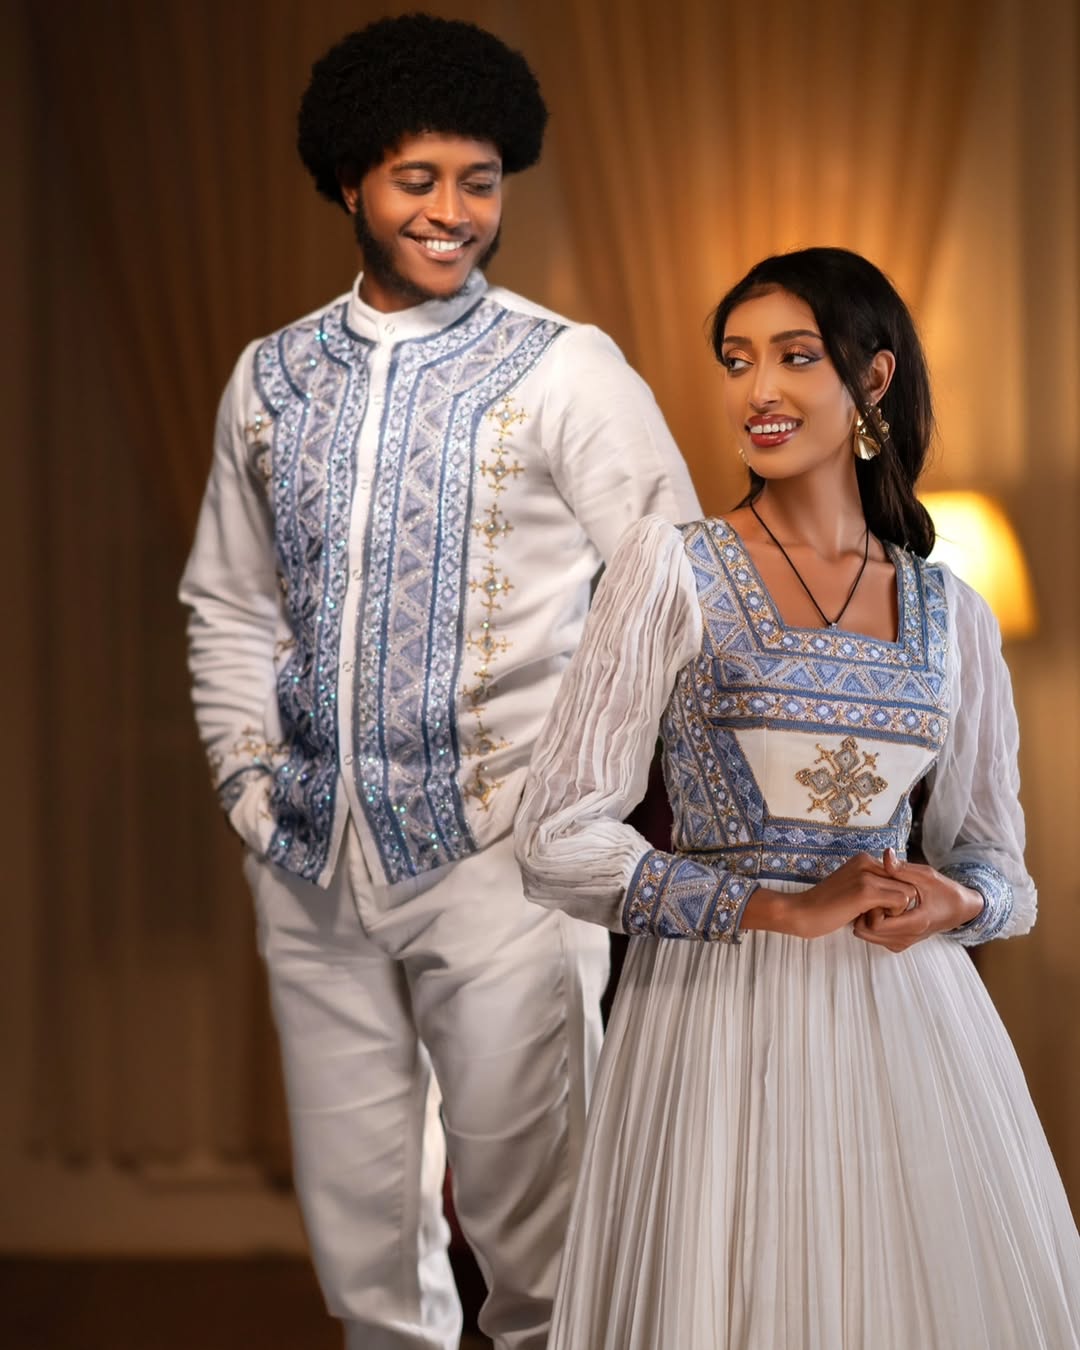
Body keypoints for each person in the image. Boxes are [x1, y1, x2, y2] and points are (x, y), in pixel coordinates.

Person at [178, 14, 699, 1350]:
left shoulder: (566, 367)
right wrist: (247, 783)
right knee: (365, 1252)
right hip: (308, 861)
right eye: (418, 179)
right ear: (351, 181)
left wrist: (576, 800)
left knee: (544, 1247)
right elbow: (228, 599)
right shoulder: (270, 378)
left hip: (505, 868)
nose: (453, 212)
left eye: (480, 180)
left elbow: (672, 592)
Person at [515, 246, 1080, 1349]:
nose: (757, 390)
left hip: (911, 1022)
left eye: (794, 357)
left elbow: (1001, 871)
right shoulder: (669, 569)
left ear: (873, 377)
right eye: (737, 361)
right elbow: (555, 838)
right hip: (715, 1015)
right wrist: (778, 907)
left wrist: (955, 902)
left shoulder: (951, 612)